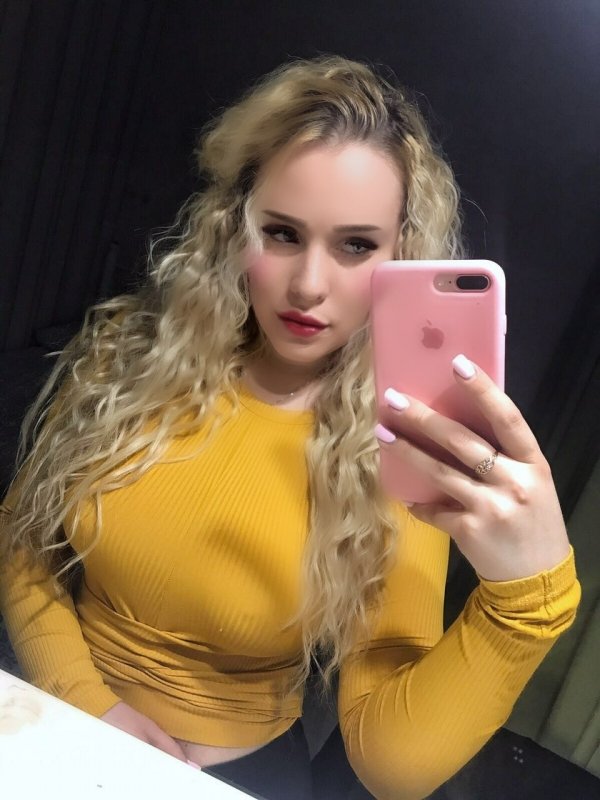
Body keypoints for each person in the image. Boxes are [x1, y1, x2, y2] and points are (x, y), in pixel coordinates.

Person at [0, 55, 580, 800]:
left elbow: (391, 765)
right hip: (56, 722)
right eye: (281, 233)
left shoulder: (400, 448)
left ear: (401, 254)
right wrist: (86, 701)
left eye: (355, 245)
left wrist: (524, 607)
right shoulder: (126, 353)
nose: (309, 285)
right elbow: (23, 539)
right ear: (234, 228)